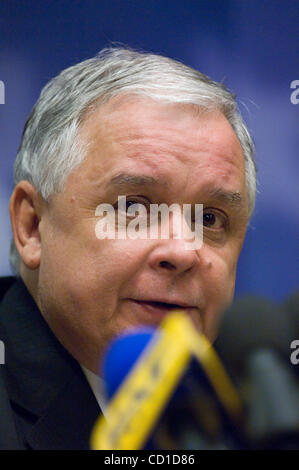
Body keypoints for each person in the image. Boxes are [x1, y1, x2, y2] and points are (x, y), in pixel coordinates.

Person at [0, 47, 256, 449]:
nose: (183, 250)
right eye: (133, 207)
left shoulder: (259, 405)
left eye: (209, 218)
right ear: (32, 226)